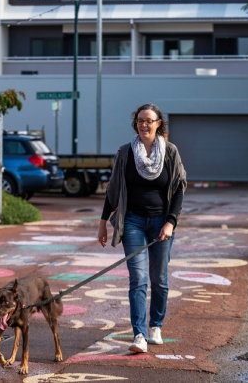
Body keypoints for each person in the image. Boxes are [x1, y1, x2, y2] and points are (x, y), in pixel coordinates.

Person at [97, 103, 186, 353]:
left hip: (161, 223)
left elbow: (179, 187)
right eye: (140, 120)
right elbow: (113, 189)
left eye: (149, 120)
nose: (144, 124)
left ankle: (155, 325)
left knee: (159, 278)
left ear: (159, 124)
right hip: (133, 221)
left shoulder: (170, 152)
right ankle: (139, 334)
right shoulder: (125, 153)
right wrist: (103, 222)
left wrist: (171, 222)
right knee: (138, 279)